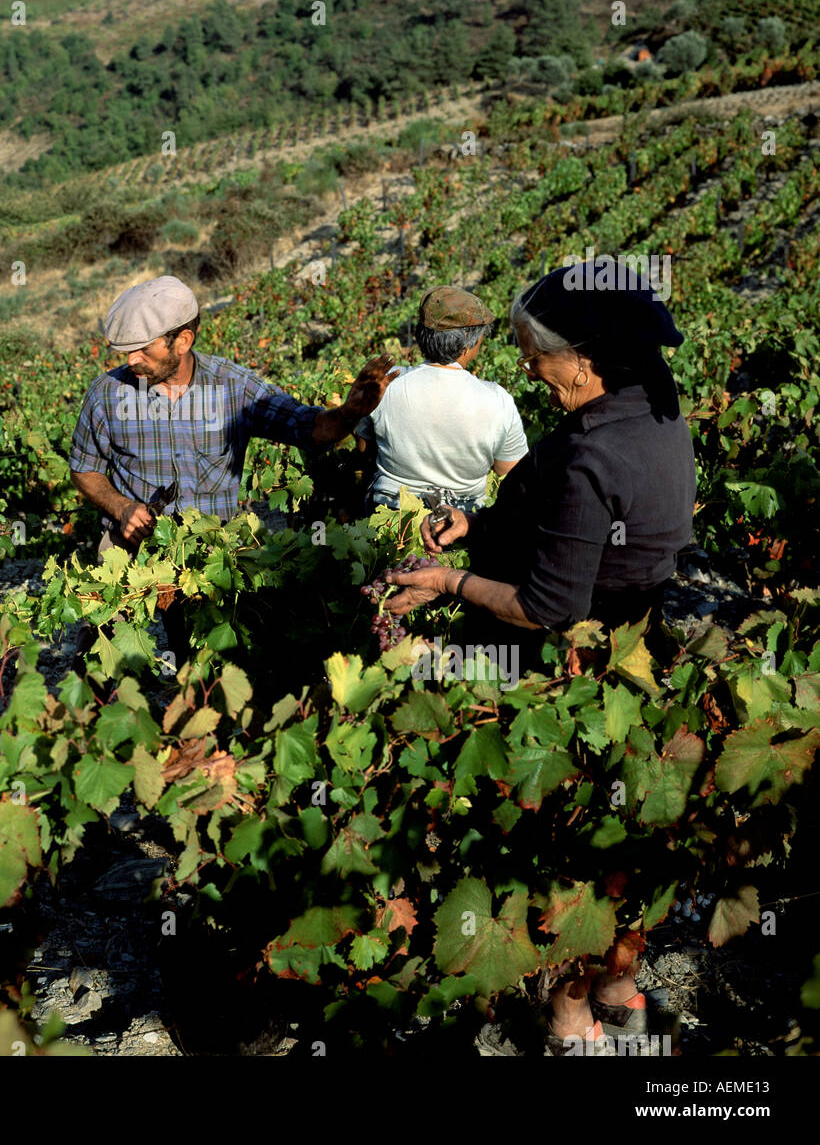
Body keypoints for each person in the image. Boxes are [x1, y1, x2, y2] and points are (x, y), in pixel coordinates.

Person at [378, 255, 696, 1054]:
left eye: (533, 351)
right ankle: (622, 990)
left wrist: (450, 578)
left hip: (555, 678)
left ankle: (566, 1019)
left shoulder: (594, 456)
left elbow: (549, 605)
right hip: (631, 663)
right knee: (621, 850)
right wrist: (480, 529)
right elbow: (573, 533)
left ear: (584, 360)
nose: (523, 363)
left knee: (553, 846)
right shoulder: (649, 410)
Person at [69, 274, 394, 670]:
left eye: (142, 349)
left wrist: (348, 413)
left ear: (183, 340)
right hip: (129, 548)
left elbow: (309, 429)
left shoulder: (234, 387)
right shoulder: (106, 394)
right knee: (101, 662)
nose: (131, 360)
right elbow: (84, 470)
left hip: (212, 553)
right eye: (126, 351)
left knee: (210, 666)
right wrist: (120, 507)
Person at [355, 285, 526, 514]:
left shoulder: (386, 382)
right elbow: (510, 472)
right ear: (470, 342)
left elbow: (363, 447)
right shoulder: (498, 399)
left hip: (390, 518)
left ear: (421, 336)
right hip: (461, 522)